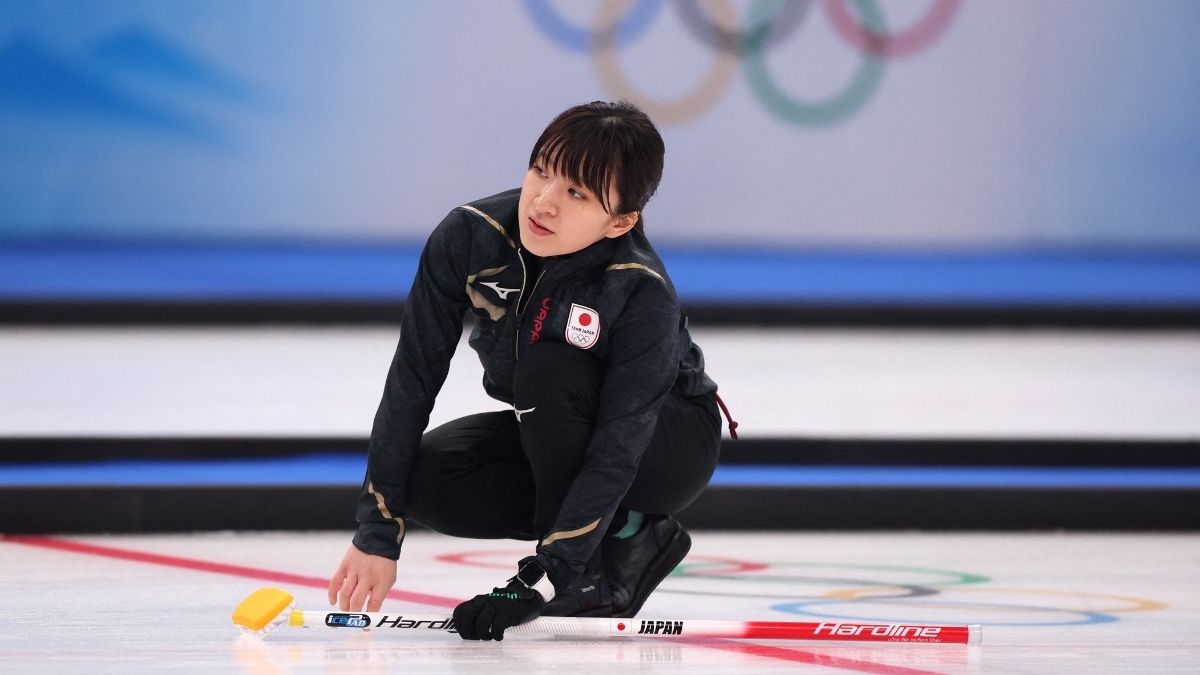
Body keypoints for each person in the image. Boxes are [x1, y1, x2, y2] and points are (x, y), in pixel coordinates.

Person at [327, 100, 735, 641]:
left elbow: (620, 440)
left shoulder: (638, 288)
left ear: (621, 221)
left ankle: (591, 568)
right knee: (428, 481)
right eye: (542, 171)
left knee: (549, 369)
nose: (543, 202)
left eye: (576, 193)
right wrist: (377, 533)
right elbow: (412, 377)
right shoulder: (469, 237)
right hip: (556, 424)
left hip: (668, 442)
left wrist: (544, 580)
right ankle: (625, 536)